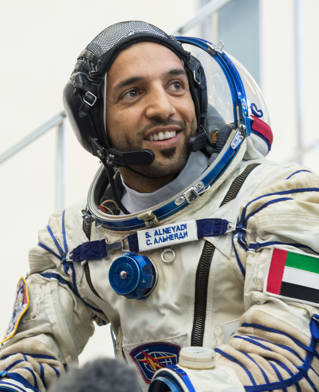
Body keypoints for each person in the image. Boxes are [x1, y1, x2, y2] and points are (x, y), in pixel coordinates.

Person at [0, 19, 319, 392]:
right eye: (133, 93)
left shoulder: (278, 200)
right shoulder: (75, 236)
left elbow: (292, 349)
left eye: (176, 86)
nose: (162, 107)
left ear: (197, 101)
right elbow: (31, 351)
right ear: (96, 126)